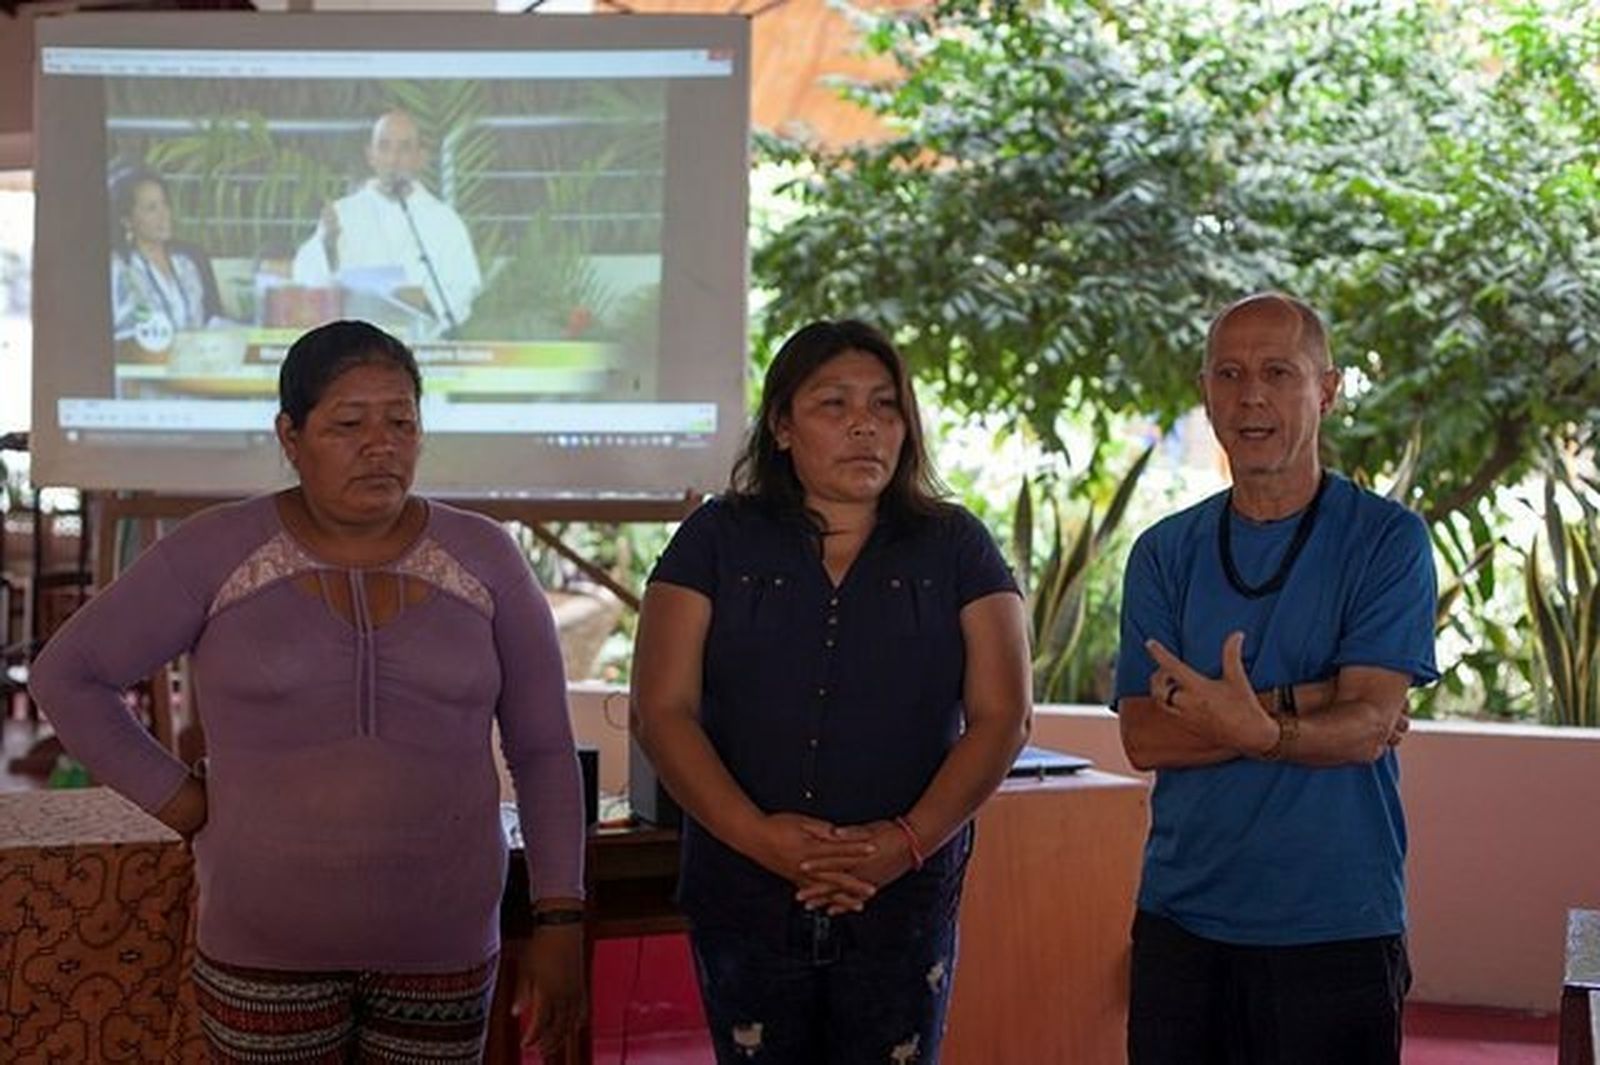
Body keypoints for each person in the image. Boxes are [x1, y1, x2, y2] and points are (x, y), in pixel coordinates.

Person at [30, 319, 585, 1062]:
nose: (380, 444)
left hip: (444, 948)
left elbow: (545, 750)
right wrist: (178, 799)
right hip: (262, 953)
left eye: (401, 421)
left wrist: (560, 917)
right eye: (349, 423)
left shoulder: (484, 555)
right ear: (290, 436)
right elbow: (68, 675)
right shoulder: (217, 548)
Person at [630, 319, 1033, 1064]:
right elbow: (661, 710)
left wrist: (901, 843)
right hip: (745, 893)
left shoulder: (957, 546)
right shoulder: (714, 539)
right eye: (833, 404)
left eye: (885, 405)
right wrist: (761, 838)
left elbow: (1004, 715)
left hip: (902, 898)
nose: (864, 425)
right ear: (782, 426)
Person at [1113, 292, 1439, 1065]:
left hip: (1336, 926)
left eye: (1276, 372)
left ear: (1325, 390)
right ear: (1205, 393)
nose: (1250, 395)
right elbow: (1142, 733)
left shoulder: (1386, 540)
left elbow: (1367, 729)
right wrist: (1303, 701)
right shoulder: (1164, 553)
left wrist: (1241, 721)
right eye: (1228, 373)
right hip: (1181, 923)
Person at [292, 110, 482, 339]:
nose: (393, 158)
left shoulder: (444, 220)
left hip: (422, 347)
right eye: (384, 147)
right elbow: (306, 279)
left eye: (404, 148)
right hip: (353, 346)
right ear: (371, 155)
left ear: (421, 157)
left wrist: (424, 300)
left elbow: (462, 290)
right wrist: (328, 246)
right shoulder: (342, 213)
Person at [109, 166, 224, 346]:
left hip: (199, 364)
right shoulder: (119, 267)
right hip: (144, 367)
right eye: (151, 208)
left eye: (165, 204)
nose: (164, 215)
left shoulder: (190, 260)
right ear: (127, 221)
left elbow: (215, 318)